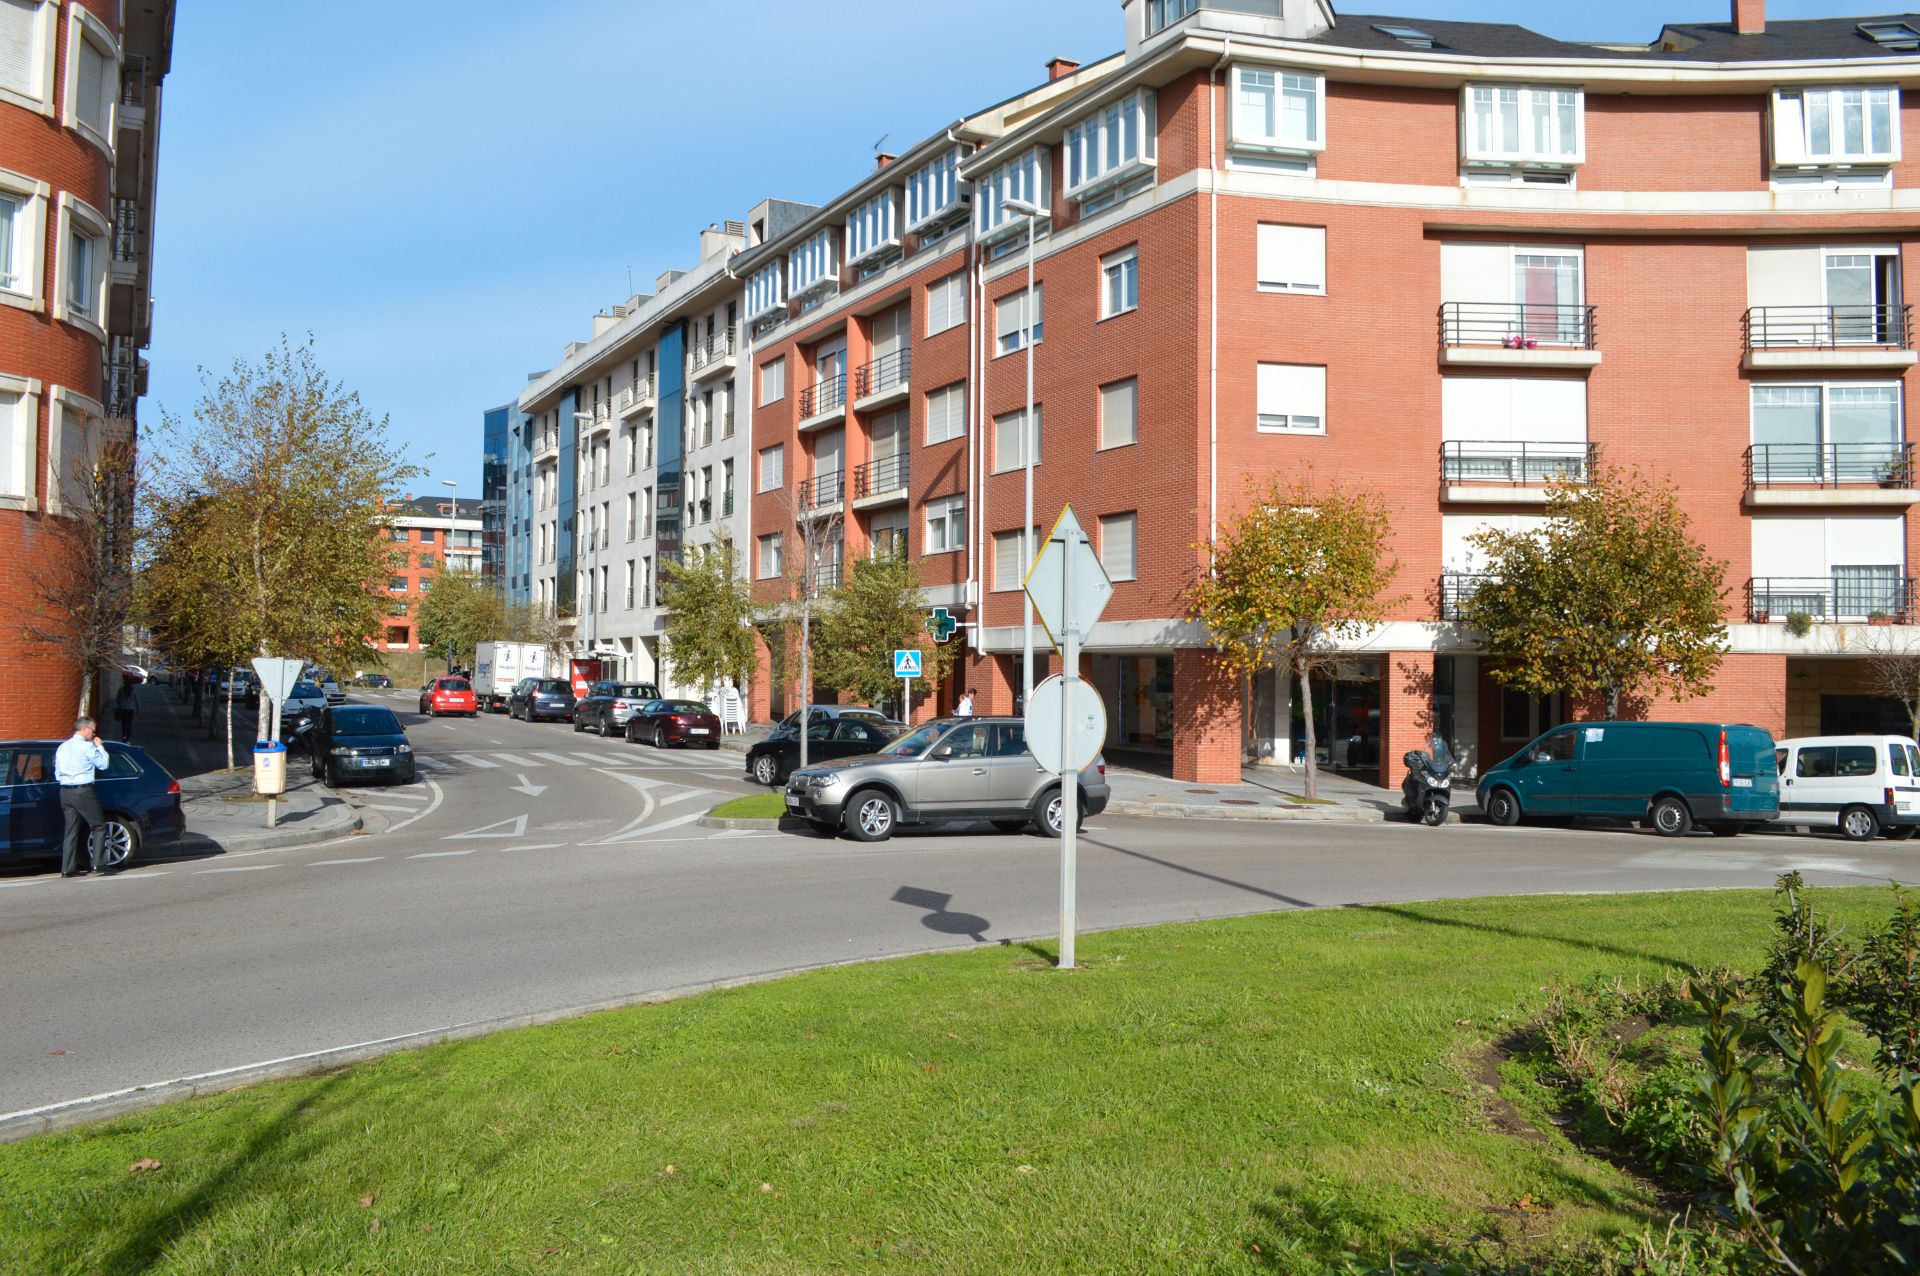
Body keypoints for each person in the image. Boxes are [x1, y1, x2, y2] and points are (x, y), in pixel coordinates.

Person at [55, 716, 111, 877]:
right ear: (85, 729)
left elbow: (57, 772)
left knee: (70, 830)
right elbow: (103, 764)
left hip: (65, 791)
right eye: (93, 731)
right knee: (99, 826)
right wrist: (100, 747)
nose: (93, 735)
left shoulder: (62, 747)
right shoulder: (87, 747)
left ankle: (67, 868)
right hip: (83, 790)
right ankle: (98, 864)